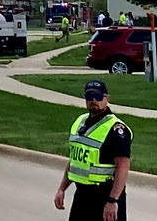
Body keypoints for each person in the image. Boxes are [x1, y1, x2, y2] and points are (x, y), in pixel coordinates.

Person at [54, 80, 132, 221]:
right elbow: (75, 160)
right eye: (90, 96)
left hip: (105, 196)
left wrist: (113, 201)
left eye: (98, 96)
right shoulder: (80, 122)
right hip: (82, 196)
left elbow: (123, 167)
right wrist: (62, 188)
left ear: (107, 98)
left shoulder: (116, 129)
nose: (94, 100)